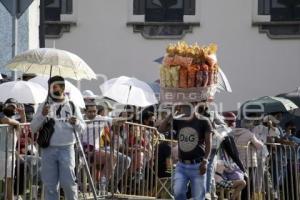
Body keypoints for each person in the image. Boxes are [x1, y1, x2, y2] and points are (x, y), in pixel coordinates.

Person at [31, 76, 85, 200]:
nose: (51, 90)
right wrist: (42, 115)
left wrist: (76, 122)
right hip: (48, 150)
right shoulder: (44, 105)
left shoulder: (72, 105)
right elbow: (33, 128)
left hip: (67, 149)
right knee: (50, 186)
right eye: (50, 87)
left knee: (68, 184)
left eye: (54, 87)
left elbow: (82, 128)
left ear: (62, 88)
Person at [159, 102, 212, 200]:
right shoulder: (178, 120)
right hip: (181, 165)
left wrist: (205, 161)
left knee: (198, 197)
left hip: (198, 165)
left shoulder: (204, 121)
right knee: (177, 193)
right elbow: (161, 129)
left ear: (196, 104)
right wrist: (172, 113)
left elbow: (209, 143)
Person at [82, 104, 116, 184]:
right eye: (90, 111)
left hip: (94, 150)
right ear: (85, 111)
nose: (93, 113)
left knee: (113, 157)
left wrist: (125, 118)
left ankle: (102, 183)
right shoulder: (79, 118)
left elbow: (115, 121)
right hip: (80, 150)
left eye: (94, 111)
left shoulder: (100, 118)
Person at [0, 98, 26, 200]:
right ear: (5, 106)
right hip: (1, 153)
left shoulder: (15, 120)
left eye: (14, 107)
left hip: (10, 154)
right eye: (10, 106)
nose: (12, 108)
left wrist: (23, 115)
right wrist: (17, 123)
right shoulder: (1, 114)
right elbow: (5, 120)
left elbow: (23, 129)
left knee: (10, 180)